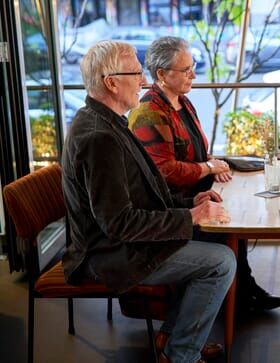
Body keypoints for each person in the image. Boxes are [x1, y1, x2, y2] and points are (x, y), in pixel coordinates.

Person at [61, 40, 236, 363]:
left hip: (114, 243)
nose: (143, 81)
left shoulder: (109, 121)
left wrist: (188, 202)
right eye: (137, 74)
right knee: (221, 262)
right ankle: (181, 353)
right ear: (111, 82)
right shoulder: (100, 137)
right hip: (106, 255)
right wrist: (191, 217)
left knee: (207, 239)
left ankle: (172, 336)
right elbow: (119, 223)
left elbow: (143, 193)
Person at [128, 36, 280, 312]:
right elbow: (164, 172)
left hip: (193, 194)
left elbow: (193, 152)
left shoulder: (182, 102)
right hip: (171, 211)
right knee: (230, 222)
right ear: (161, 74)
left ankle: (242, 287)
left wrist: (212, 164)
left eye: (193, 66)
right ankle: (235, 295)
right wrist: (208, 168)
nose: (194, 74)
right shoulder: (148, 112)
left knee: (234, 210)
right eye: (186, 70)